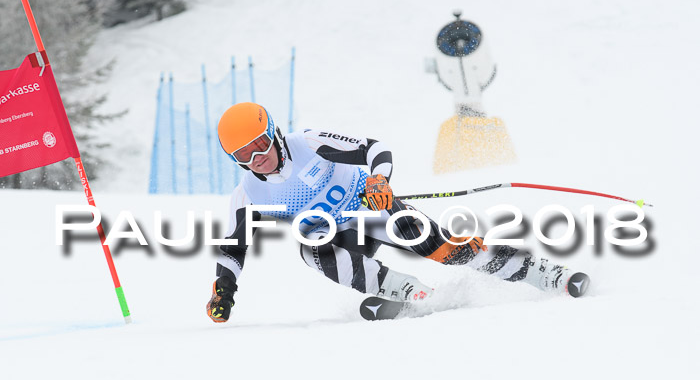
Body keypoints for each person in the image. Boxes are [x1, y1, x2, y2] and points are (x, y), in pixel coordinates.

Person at [206, 102, 589, 322]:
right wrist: (224, 292)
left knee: (447, 248)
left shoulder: (307, 143)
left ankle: (543, 273)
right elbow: (232, 250)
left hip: (372, 207)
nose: (258, 158)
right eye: (244, 154)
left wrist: (380, 180)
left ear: (272, 132)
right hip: (339, 238)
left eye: (260, 145)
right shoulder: (249, 193)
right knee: (311, 249)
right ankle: (406, 290)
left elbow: (375, 148)